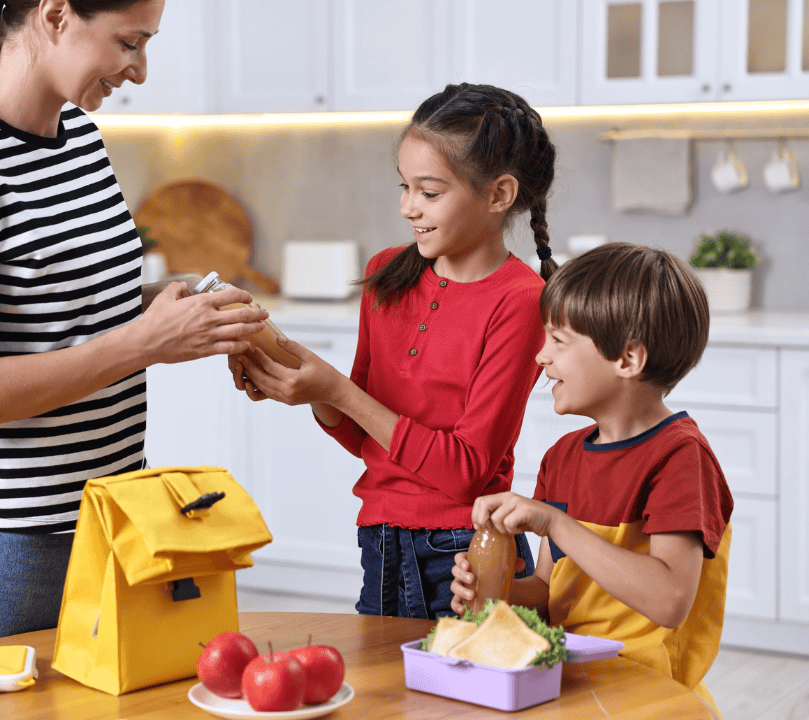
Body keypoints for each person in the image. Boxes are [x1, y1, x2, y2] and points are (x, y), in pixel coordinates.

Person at [0, 0, 269, 648]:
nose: (137, 70)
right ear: (55, 16)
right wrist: (144, 343)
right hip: (8, 547)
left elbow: (69, 307)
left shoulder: (79, 139)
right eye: (129, 42)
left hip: (110, 515)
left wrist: (171, 306)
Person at [231, 84, 558, 620]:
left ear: (499, 194)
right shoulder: (390, 273)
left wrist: (337, 389)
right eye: (405, 187)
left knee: (462, 702)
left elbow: (465, 472)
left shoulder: (520, 301)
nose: (408, 207)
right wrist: (307, 390)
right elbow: (366, 440)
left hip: (467, 555)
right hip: (380, 541)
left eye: (429, 193)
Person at [449, 242, 733, 716]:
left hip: (650, 698)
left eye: (559, 341)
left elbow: (669, 601)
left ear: (627, 359)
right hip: (568, 686)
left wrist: (555, 524)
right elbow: (547, 593)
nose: (541, 356)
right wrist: (496, 594)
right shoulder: (561, 458)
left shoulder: (681, 457)